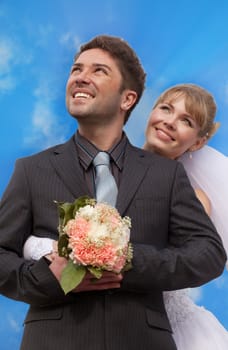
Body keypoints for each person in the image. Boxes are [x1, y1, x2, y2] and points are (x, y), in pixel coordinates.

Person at [0, 35, 226, 350]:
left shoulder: (167, 175)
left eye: (99, 71)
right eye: (76, 69)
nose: (80, 76)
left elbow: (209, 256)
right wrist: (51, 277)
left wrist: (127, 259)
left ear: (127, 99)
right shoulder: (31, 170)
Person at [143, 83, 228, 349]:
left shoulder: (193, 199)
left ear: (199, 142)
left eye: (186, 121)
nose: (169, 122)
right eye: (166, 108)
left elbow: (172, 260)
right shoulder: (104, 168)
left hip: (167, 329)